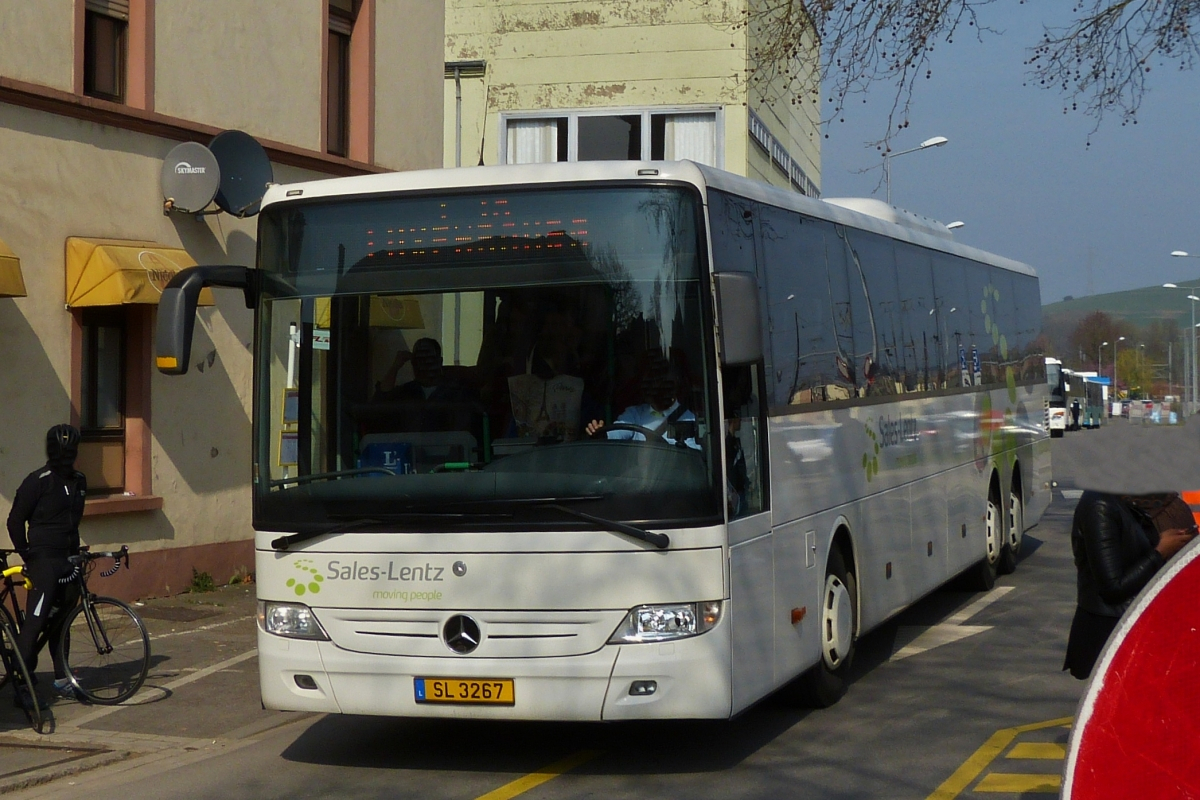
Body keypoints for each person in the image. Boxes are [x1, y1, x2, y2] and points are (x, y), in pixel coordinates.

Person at [1062, 491, 1195, 680]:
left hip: (1132, 628)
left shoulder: (1120, 499)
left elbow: (1130, 553)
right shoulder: (1099, 506)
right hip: (1111, 633)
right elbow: (1113, 587)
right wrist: (1160, 551)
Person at [6, 425, 87, 711]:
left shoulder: (79, 481)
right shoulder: (37, 481)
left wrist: (77, 553)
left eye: (70, 450)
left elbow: (73, 521)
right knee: (36, 622)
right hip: (44, 561)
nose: (66, 456)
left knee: (62, 622)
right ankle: (22, 684)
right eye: (61, 450)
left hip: (69, 560)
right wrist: (28, 556)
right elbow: (15, 521)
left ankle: (62, 678)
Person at [585, 351, 699, 449]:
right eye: (651, 378)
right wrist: (601, 433)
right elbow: (616, 433)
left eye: (661, 378)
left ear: (675, 382)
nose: (655, 383)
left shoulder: (689, 419)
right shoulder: (634, 414)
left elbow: (693, 453)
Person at [374, 338, 473, 403]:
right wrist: (395, 367)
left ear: (439, 361)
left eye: (429, 359)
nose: (424, 365)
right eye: (420, 359)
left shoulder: (457, 392)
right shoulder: (407, 391)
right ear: (413, 363)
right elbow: (381, 401)